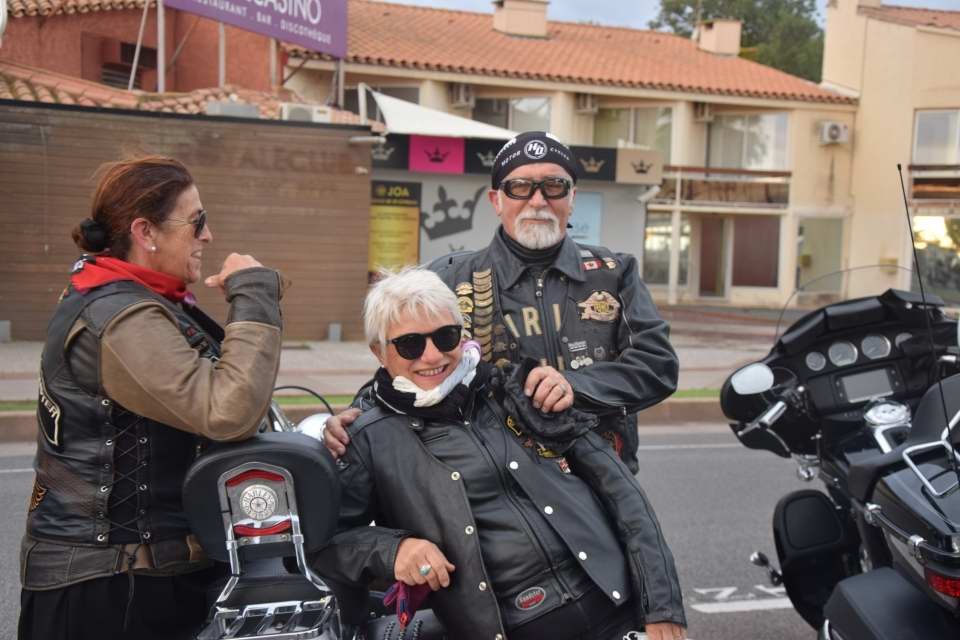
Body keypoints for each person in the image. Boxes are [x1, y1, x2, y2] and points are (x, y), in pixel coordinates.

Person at [311, 267, 686, 640]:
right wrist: (395, 550)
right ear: (379, 351)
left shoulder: (518, 391)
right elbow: (327, 544)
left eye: (446, 336)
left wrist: (662, 606)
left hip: (618, 611)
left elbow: (624, 496)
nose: (431, 356)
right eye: (410, 344)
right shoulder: (366, 438)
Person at [18, 156, 286, 640]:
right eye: (196, 221)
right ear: (146, 232)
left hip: (137, 580)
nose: (207, 235)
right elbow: (226, 411)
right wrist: (254, 293)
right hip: (110, 591)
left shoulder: (139, 302)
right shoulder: (121, 316)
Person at [325, 131, 678, 473]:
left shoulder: (614, 273)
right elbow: (403, 358)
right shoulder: (449, 278)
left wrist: (574, 386)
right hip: (499, 488)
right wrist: (356, 415)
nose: (538, 201)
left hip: (604, 478)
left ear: (572, 198)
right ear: (497, 200)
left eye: (554, 186)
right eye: (520, 187)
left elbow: (657, 366)